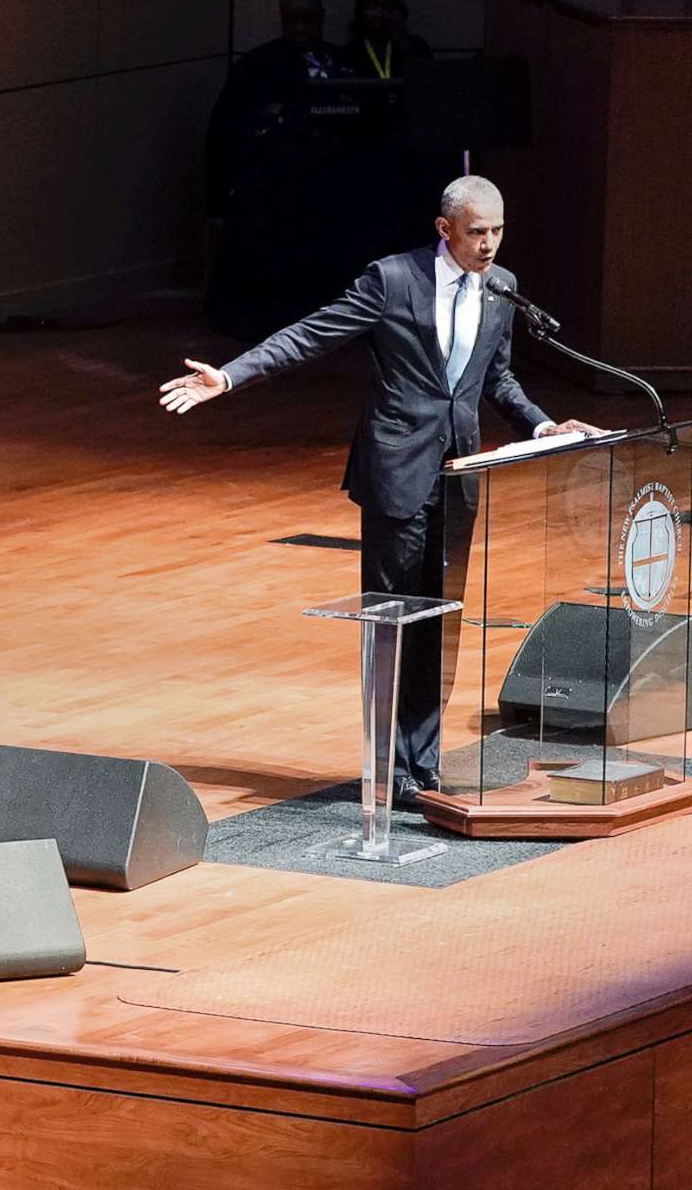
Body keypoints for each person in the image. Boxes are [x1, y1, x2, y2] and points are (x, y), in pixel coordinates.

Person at [158, 176, 600, 802]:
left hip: (458, 476)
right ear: (444, 228)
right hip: (396, 473)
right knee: (393, 620)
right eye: (477, 231)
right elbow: (309, 335)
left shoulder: (502, 289)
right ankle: (387, 765)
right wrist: (229, 378)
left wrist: (542, 423)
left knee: (440, 621)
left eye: (498, 230)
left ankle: (423, 763)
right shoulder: (392, 280)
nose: (490, 244)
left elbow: (496, 378)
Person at [205, 0, 337, 215]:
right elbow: (224, 132)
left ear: (321, 18)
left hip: (325, 186)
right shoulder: (254, 67)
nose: (299, 28)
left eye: (306, 19)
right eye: (290, 20)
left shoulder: (341, 64)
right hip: (271, 190)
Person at [342, 0, 434, 83]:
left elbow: (430, 83)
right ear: (361, 12)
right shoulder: (350, 53)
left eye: (385, 7)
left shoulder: (417, 46)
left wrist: (404, 45)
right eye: (372, 7)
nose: (379, 14)